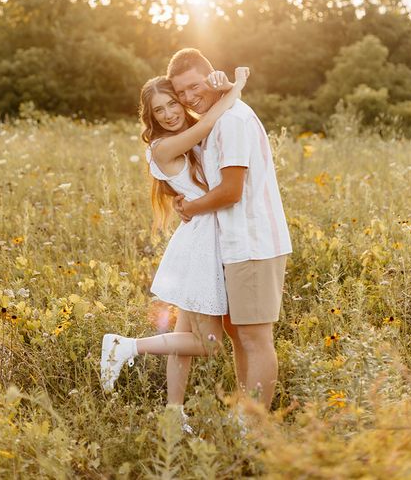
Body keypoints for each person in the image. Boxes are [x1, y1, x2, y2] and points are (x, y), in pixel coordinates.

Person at [100, 67, 250, 423]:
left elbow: (216, 119)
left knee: (184, 337)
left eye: (172, 104)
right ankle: (126, 346)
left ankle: (173, 414)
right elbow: (212, 118)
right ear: (149, 118)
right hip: (200, 246)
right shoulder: (164, 146)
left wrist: (225, 89)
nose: (169, 114)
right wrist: (238, 84)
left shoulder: (185, 139)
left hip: (200, 238)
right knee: (207, 344)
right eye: (159, 111)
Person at [167, 48, 292, 410]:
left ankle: (253, 429)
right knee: (240, 338)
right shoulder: (218, 118)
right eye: (182, 93)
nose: (189, 98)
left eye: (194, 87)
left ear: (210, 76)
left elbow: (231, 191)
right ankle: (245, 418)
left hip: (253, 243)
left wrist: (190, 207)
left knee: (255, 339)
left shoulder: (232, 121)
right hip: (234, 245)